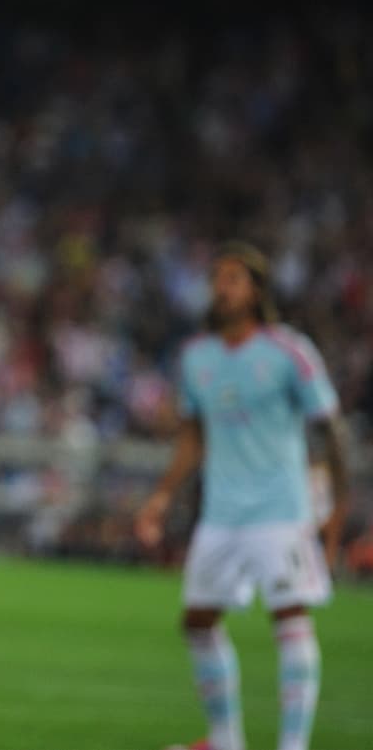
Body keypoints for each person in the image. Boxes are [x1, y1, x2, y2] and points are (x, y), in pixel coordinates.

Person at [136, 242, 349, 750]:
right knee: (197, 620)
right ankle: (225, 740)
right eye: (216, 279)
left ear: (256, 291)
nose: (220, 289)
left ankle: (292, 747)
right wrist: (162, 496)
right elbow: (193, 436)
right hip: (222, 511)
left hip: (281, 507)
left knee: (290, 614)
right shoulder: (197, 356)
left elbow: (329, 427)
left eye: (232, 279)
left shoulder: (287, 350)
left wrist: (338, 505)